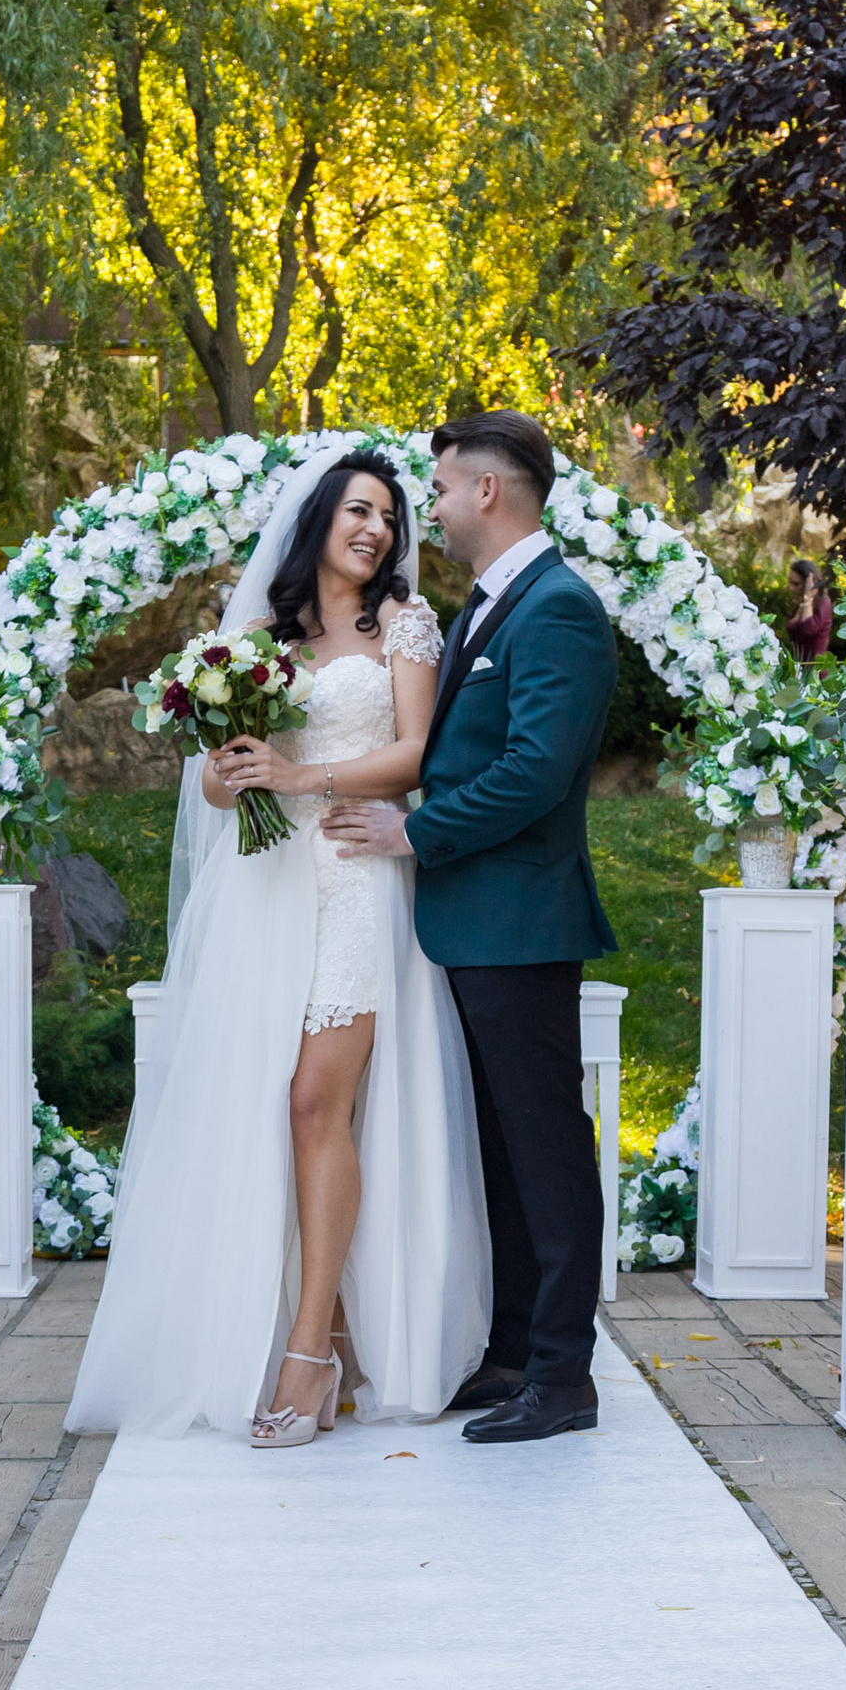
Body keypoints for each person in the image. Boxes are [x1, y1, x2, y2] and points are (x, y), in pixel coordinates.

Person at [64, 452, 490, 1444]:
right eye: (358, 509)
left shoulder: (406, 624)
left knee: (315, 1101)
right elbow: (215, 785)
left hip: (356, 875)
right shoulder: (254, 639)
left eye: (388, 514)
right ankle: (299, 1328)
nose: (376, 529)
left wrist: (305, 781)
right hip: (268, 892)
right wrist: (233, 774)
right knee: (268, 1108)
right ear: (317, 520)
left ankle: (310, 1355)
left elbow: (420, 754)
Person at [323, 410, 620, 1444]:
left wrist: (417, 833)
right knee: (498, 1147)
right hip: (475, 925)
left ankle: (563, 1376)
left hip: (521, 921)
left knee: (544, 1146)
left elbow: (534, 772)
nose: (432, 511)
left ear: (486, 491)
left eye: (442, 490)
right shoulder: (499, 603)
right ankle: (509, 1354)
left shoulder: (558, 610)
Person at [782, 554, 835, 666]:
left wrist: (808, 598)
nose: (791, 588)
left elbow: (808, 629)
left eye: (796, 584)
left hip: (816, 672)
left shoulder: (823, 603)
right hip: (800, 668)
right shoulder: (801, 604)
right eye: (790, 583)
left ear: (808, 583)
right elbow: (792, 631)